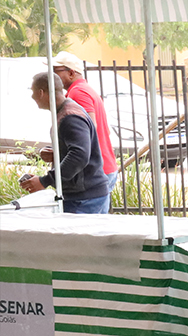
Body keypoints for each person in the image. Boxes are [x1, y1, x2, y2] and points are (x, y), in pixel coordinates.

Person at [21, 72, 110, 214]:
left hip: (85, 198)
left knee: (79, 237)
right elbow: (78, 148)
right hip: (83, 195)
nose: (32, 97)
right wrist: (58, 152)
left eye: (33, 92)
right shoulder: (67, 111)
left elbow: (79, 155)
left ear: (41, 93)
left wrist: (45, 181)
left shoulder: (70, 116)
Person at [51, 51, 118, 194]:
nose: (52, 76)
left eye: (56, 71)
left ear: (71, 73)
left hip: (96, 172)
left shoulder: (78, 93)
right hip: (103, 168)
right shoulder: (84, 89)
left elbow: (86, 132)